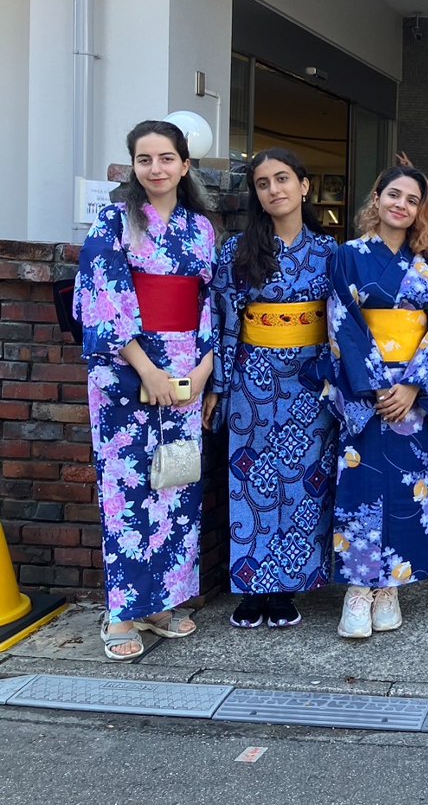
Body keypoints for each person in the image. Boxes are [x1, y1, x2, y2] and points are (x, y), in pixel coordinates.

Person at [74, 120, 216, 660]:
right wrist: (145, 370)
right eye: (144, 159)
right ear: (133, 166)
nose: (156, 168)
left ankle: (160, 603)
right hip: (127, 371)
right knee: (128, 492)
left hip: (185, 372)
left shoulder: (200, 229)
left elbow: (210, 303)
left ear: (185, 165)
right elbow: (103, 297)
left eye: (166, 158)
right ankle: (121, 611)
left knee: (176, 483)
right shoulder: (114, 220)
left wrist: (203, 370)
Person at [205, 148, 338, 629]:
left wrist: (341, 381)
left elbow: (342, 321)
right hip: (254, 379)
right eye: (263, 184)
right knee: (251, 482)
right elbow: (222, 319)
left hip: (312, 379)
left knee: (305, 481)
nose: (274, 189)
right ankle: (252, 586)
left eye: (282, 179)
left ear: (304, 186)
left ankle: (287, 588)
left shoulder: (330, 252)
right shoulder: (237, 251)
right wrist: (219, 385)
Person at [326, 164, 428, 638]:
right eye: (393, 194)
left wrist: (414, 385)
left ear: (421, 210)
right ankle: (359, 590)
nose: (401, 204)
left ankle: (392, 587)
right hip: (367, 391)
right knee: (360, 487)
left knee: (409, 487)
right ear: (376, 198)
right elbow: (342, 322)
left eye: (412, 200)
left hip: (413, 395)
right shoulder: (348, 255)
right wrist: (378, 384)